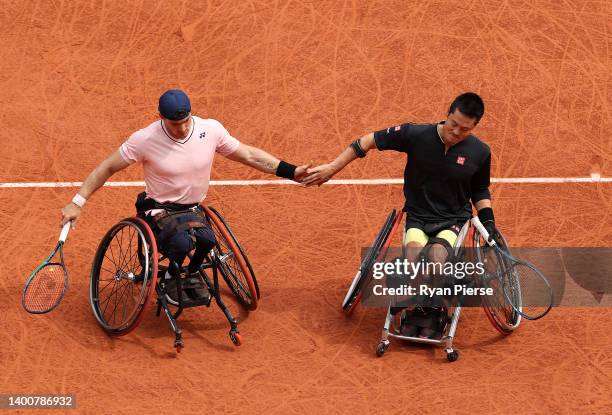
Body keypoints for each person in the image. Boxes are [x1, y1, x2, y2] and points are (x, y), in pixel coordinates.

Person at [61, 89, 308, 305]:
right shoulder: (145, 139)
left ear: (191, 114)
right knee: (180, 244)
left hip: (193, 210)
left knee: (208, 240)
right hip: (159, 210)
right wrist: (77, 202)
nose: (181, 129)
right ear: (161, 118)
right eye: (174, 124)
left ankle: (188, 273)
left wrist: (291, 172)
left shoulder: (210, 130)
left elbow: (250, 156)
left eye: (185, 121)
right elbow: (107, 167)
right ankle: (170, 278)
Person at [303, 92, 499, 339]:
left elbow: (480, 189)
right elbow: (367, 141)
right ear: (447, 115)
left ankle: (431, 301)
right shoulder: (416, 135)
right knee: (415, 259)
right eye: (454, 124)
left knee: (438, 259)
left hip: (452, 221)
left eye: (464, 129)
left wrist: (488, 220)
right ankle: (420, 297)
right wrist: (332, 168)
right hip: (418, 216)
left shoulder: (480, 152)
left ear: (475, 126)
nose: (456, 132)